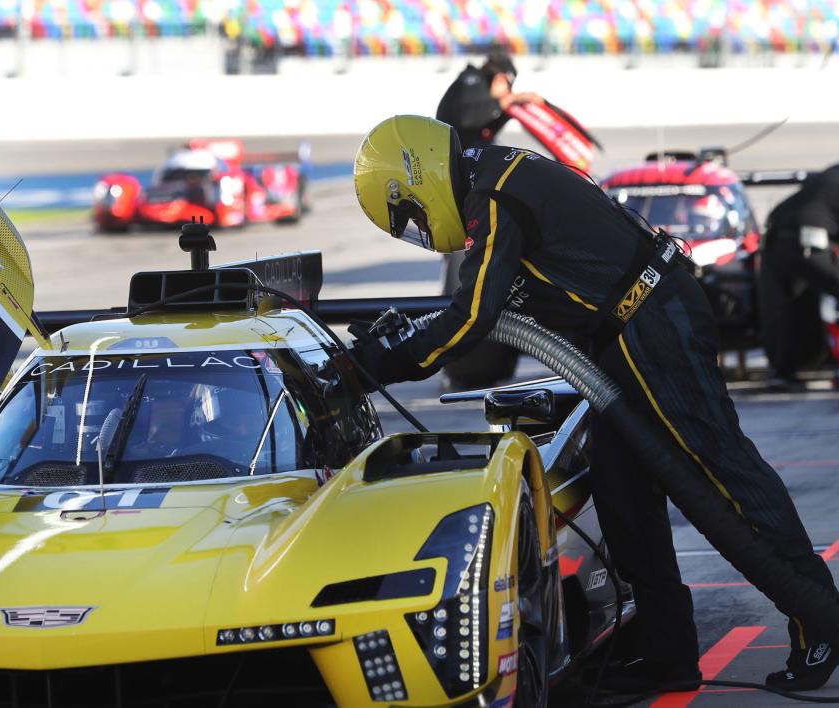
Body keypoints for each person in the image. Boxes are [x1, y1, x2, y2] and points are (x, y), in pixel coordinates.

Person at [350, 115, 839, 691]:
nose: (420, 230)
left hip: (653, 325)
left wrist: (381, 366)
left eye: (409, 216)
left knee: (721, 474)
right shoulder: (494, 177)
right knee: (621, 488)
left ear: (418, 176)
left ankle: (820, 620)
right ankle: (667, 651)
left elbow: (473, 314)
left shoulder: (494, 196)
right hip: (628, 334)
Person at [437, 50, 543, 388]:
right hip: (460, 194)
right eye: (507, 85)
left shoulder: (476, 90)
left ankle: (480, 348)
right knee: (466, 273)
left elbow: (482, 128)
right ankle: (464, 353)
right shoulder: (470, 83)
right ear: (500, 78)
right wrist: (510, 100)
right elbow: (470, 123)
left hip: (466, 188)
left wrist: (509, 109)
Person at [759, 165, 839, 385]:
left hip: (776, 237)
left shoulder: (832, 173)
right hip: (808, 239)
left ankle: (784, 370)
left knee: (784, 307)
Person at [436, 50, 543, 149]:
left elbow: (487, 132)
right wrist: (506, 100)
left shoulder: (481, 89)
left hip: (459, 151)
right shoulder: (473, 80)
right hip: (449, 154)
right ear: (500, 79)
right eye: (508, 86)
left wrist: (507, 112)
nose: (507, 93)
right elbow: (467, 119)